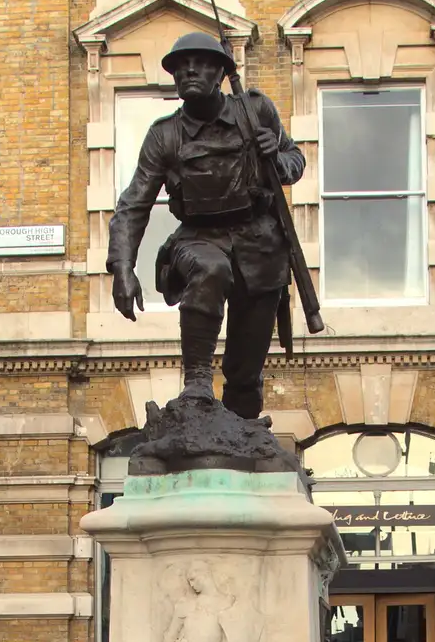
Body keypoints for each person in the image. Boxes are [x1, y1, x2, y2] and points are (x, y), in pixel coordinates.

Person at [107, 31, 305, 421]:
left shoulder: (256, 110)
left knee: (246, 373)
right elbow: (133, 204)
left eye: (199, 63)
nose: (188, 71)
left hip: (260, 242)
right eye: (180, 66)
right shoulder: (164, 135)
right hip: (198, 237)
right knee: (210, 268)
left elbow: (294, 160)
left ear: (221, 72)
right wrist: (122, 267)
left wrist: (276, 160)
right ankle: (197, 382)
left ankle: (244, 431)